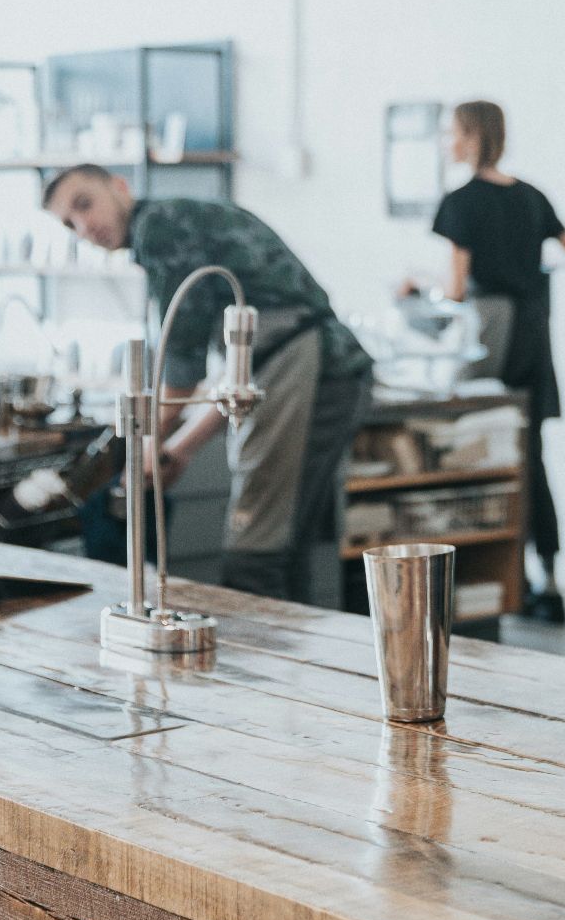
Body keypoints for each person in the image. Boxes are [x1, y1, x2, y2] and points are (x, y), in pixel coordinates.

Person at [45, 164, 374, 607]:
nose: (84, 227)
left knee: (255, 553)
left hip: (313, 366)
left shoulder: (161, 228)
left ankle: (266, 669)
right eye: (70, 224)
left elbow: (182, 370)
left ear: (120, 187)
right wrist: (178, 447)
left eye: (85, 204)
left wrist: (146, 443)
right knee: (280, 547)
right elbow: (240, 379)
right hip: (313, 368)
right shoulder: (178, 221)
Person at [412, 101, 565, 620]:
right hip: (534, 333)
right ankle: (547, 582)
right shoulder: (532, 196)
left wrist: (416, 283)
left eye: (452, 132)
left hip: (493, 333)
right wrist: (535, 271)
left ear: (470, 137)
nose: (448, 140)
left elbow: (456, 288)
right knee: (530, 456)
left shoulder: (461, 201)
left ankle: (472, 576)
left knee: (466, 444)